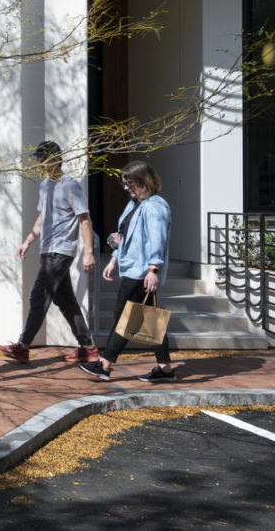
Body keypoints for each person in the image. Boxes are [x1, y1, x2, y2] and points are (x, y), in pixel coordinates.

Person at [0, 141, 97, 364]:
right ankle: (88, 347)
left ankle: (22, 346)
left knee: (38, 295)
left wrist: (88, 253)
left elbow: (85, 219)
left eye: (45, 158)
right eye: (40, 159)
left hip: (61, 250)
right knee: (65, 300)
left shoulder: (70, 186)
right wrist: (28, 241)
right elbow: (43, 218)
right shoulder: (45, 185)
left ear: (57, 158)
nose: (41, 163)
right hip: (47, 249)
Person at [80, 159, 175, 382]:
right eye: (124, 183)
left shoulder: (155, 206)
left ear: (144, 181)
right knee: (147, 318)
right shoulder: (134, 204)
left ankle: (104, 365)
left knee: (125, 319)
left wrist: (154, 269)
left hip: (142, 272)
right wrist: (114, 259)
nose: (126, 188)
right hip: (132, 268)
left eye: (130, 183)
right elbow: (125, 237)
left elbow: (157, 240)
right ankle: (165, 369)